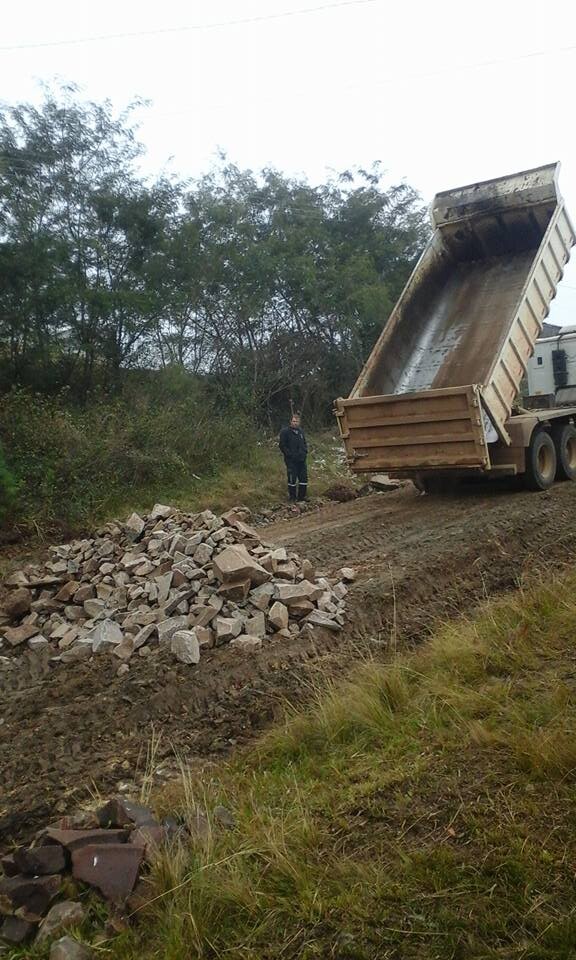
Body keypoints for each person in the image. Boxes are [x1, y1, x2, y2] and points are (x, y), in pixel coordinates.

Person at [279, 413, 308, 502]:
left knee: (303, 478)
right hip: (291, 461)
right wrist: (289, 455)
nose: (295, 423)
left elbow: (304, 443)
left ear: (299, 422)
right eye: (293, 421)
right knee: (292, 479)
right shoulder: (285, 432)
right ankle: (292, 497)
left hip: (301, 460)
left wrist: (305, 452)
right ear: (290, 422)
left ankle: (302, 497)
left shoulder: (301, 432)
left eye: (297, 421)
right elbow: (282, 445)